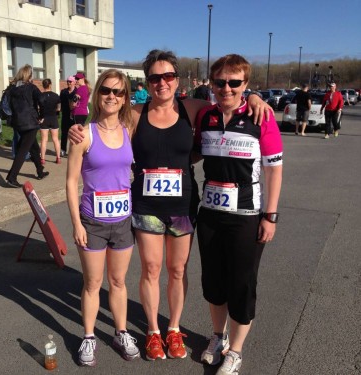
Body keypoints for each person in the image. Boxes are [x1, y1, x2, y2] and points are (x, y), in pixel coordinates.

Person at [69, 49, 272, 362]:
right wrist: (77, 128)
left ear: (178, 80)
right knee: (151, 269)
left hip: (183, 204)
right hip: (146, 204)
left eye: (168, 76)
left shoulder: (193, 108)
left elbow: (228, 98)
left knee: (177, 270)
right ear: (148, 82)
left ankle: (174, 328)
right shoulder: (135, 114)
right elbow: (105, 123)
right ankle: (152, 330)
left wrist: (255, 97)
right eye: (155, 77)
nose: (162, 82)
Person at [193, 54, 283, 375]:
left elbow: (274, 171)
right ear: (211, 84)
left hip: (247, 214)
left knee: (242, 283)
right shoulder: (205, 116)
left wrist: (270, 216)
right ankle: (218, 337)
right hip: (211, 214)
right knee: (213, 281)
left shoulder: (262, 118)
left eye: (235, 83)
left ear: (246, 85)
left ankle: (237, 350)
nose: (226, 89)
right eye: (220, 82)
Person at [66, 68, 140, 366]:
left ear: (125, 98)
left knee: (119, 281)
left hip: (123, 221)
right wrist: (76, 224)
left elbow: (169, 106)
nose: (112, 96)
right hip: (92, 222)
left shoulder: (130, 128)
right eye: (106, 91)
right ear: (97, 94)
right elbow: (71, 181)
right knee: (92, 283)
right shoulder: (83, 133)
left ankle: (120, 332)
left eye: (118, 92)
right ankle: (88, 337)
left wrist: (251, 97)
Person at [5, 64, 49, 188]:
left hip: (18, 123)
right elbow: (42, 100)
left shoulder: (12, 88)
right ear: (29, 75)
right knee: (23, 151)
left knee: (33, 147)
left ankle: (40, 171)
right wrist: (42, 115)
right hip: (31, 123)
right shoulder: (31, 87)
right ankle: (11, 177)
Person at [39, 78, 62, 164]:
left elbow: (38, 108)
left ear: (43, 85)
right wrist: (56, 111)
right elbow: (59, 108)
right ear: (50, 85)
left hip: (44, 118)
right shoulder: (56, 96)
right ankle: (58, 158)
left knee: (44, 139)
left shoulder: (40, 96)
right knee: (55, 139)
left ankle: (42, 159)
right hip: (53, 118)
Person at [59, 76, 77, 157]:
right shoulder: (63, 92)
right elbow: (60, 102)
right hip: (65, 115)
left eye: (70, 81)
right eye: (67, 81)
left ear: (74, 82)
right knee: (64, 133)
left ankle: (74, 150)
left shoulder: (77, 91)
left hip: (74, 115)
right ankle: (63, 150)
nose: (68, 83)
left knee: (74, 133)